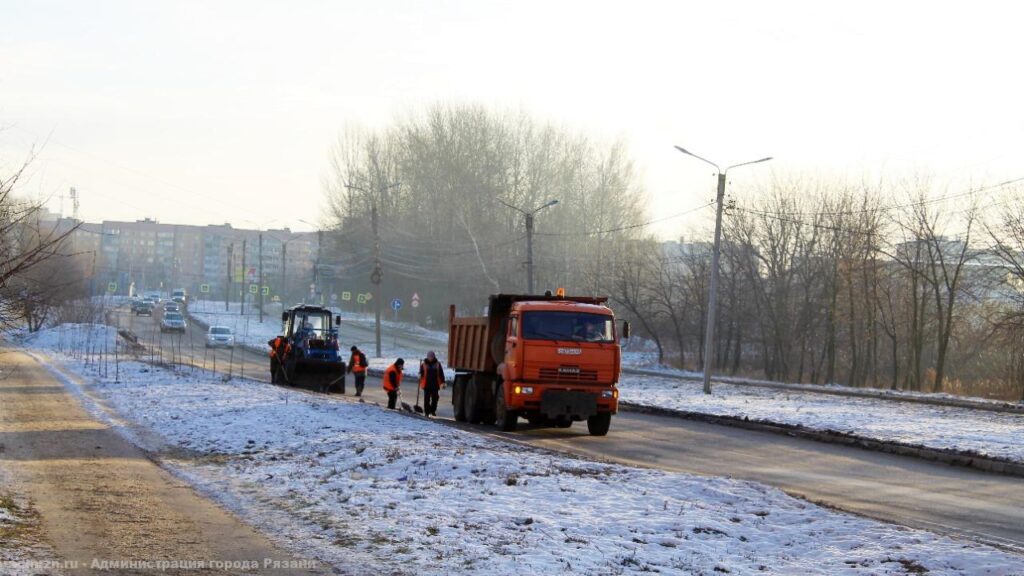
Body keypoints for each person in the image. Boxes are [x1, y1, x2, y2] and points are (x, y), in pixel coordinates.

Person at [418, 351, 445, 417]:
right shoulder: (423, 364)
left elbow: (441, 374)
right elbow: (421, 372)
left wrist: (443, 382)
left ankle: (433, 411)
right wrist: (419, 374)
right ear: (427, 357)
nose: (430, 358)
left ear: (434, 357)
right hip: (426, 385)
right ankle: (427, 412)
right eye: (429, 356)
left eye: (432, 357)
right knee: (426, 400)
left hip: (435, 385)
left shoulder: (438, 364)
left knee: (435, 399)